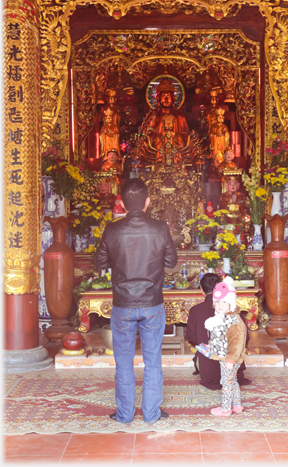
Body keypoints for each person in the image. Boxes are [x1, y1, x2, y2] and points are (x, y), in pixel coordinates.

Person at [94, 178, 178, 423]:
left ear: (121, 202)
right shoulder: (160, 228)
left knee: (123, 362)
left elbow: (99, 263)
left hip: (123, 305)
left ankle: (124, 414)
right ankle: (151, 414)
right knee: (153, 361)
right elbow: (171, 262)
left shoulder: (112, 229)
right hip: (152, 303)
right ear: (147, 202)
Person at [187, 273, 250, 390]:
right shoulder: (232, 308)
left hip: (208, 371)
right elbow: (245, 337)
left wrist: (205, 345)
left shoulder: (195, 310)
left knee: (199, 355)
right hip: (234, 369)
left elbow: (192, 337)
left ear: (201, 289)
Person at [204, 276, 247, 416]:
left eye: (224, 302)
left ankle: (226, 409)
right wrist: (211, 346)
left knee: (227, 383)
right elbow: (219, 335)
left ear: (231, 304)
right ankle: (237, 405)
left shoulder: (234, 321)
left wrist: (230, 360)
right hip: (224, 356)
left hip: (229, 358)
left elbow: (236, 342)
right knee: (232, 381)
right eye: (217, 302)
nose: (220, 305)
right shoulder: (222, 317)